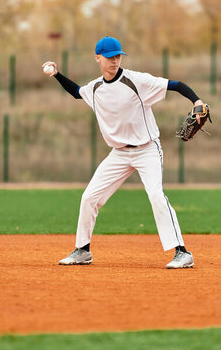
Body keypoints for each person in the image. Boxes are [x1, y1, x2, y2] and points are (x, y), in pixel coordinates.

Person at [42, 36, 204, 269]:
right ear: (97, 58)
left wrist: (196, 101)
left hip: (147, 149)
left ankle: (182, 252)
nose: (115, 60)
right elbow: (77, 92)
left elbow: (176, 85)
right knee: (89, 197)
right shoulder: (96, 88)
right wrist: (57, 74)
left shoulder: (137, 80)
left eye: (118, 56)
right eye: (109, 57)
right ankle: (83, 250)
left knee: (156, 195)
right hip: (118, 154)